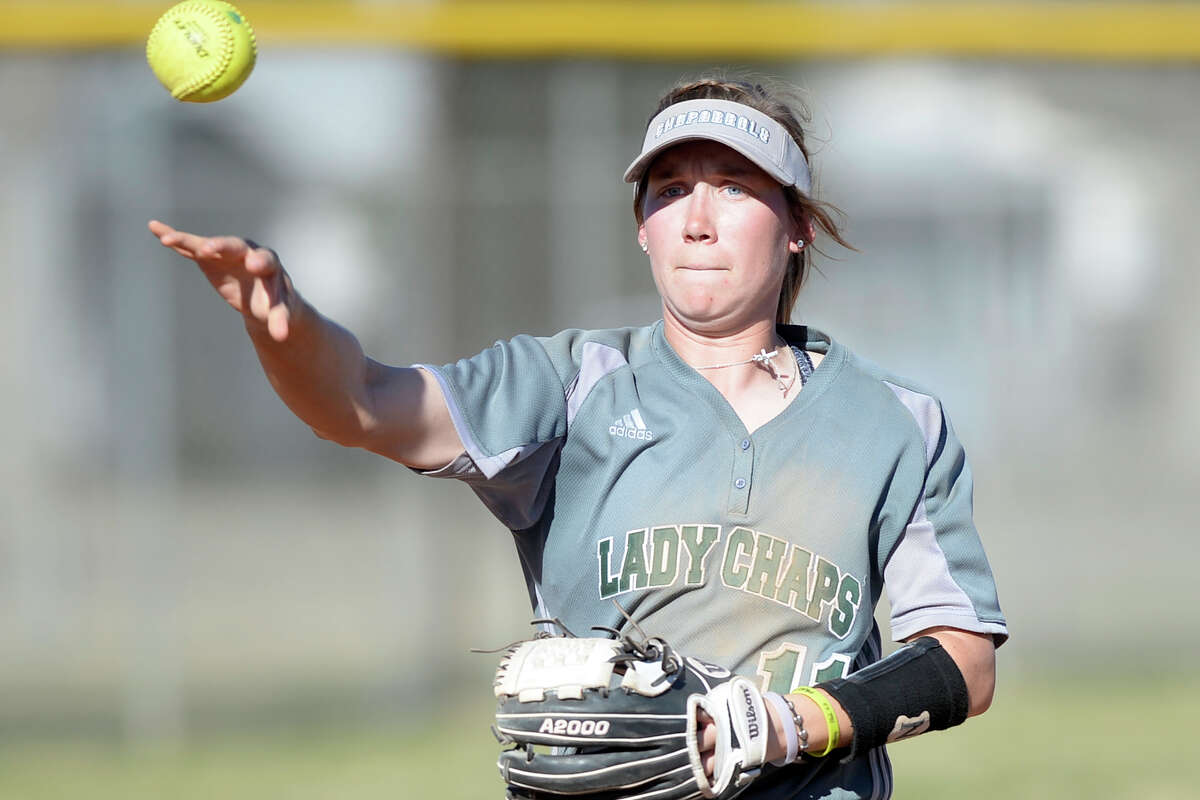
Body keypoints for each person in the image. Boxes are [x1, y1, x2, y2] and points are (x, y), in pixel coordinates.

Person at [150, 75, 1007, 799]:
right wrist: (283, 324)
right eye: (671, 192)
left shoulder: (897, 423)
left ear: (797, 227)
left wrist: (791, 723)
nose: (698, 218)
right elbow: (363, 401)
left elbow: (962, 663)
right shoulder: (568, 385)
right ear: (642, 228)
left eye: (736, 187)